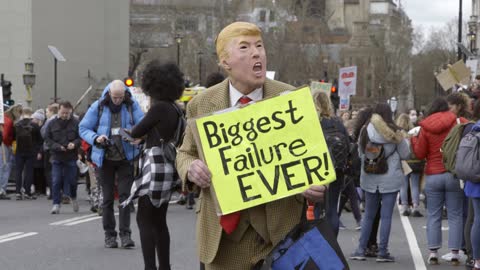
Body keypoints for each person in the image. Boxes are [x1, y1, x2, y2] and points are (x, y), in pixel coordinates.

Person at [175, 22, 326, 270]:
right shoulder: (202, 104)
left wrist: (318, 184)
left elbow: (313, 156)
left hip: (282, 235)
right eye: (244, 47)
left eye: (259, 46)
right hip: (224, 239)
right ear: (225, 62)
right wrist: (191, 168)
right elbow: (185, 153)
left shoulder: (290, 99)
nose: (257, 53)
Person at [124, 60, 184, 270]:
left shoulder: (158, 108)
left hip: (155, 165)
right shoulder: (176, 109)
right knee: (160, 220)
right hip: (169, 166)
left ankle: (150, 267)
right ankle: (164, 266)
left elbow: (136, 131)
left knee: (144, 219)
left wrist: (127, 134)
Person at [79, 80, 144, 249]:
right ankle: (109, 235)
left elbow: (144, 124)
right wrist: (96, 138)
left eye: (120, 97)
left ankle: (125, 235)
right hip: (104, 158)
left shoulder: (131, 105)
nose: (117, 101)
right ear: (109, 94)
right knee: (107, 199)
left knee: (125, 198)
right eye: (115, 97)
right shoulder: (98, 106)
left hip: (126, 158)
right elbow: (83, 128)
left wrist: (138, 136)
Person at [350, 103, 410, 263]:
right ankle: (383, 252)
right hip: (390, 177)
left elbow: (360, 152)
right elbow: (405, 153)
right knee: (386, 216)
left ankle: (361, 249)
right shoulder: (395, 132)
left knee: (368, 215)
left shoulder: (365, 130)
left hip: (369, 177)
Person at [411, 97, 468, 265]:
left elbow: (420, 154)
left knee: (433, 214)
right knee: (455, 214)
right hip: (453, 173)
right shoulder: (458, 122)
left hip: (433, 175)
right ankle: (455, 252)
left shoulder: (425, 126)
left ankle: (433, 251)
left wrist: (414, 139)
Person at [312, 91, 350, 236]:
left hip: (317, 169)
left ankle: (317, 241)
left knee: (316, 207)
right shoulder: (338, 123)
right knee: (332, 207)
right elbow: (348, 144)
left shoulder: (312, 123)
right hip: (336, 170)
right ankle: (332, 241)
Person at [44, 101, 81, 214]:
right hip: (57, 156)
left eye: (67, 113)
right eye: (63, 112)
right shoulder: (51, 123)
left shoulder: (76, 122)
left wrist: (74, 144)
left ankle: (73, 197)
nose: (65, 115)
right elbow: (47, 139)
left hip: (71, 156)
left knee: (72, 181)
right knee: (56, 181)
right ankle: (56, 204)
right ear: (59, 110)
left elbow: (80, 137)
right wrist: (57, 146)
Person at [396, 113, 423, 217]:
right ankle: (415, 206)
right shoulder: (414, 133)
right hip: (415, 161)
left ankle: (405, 207)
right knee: (415, 185)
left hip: (403, 162)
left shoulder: (398, 134)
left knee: (403, 185)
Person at [14, 107, 42, 200]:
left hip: (19, 151)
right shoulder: (35, 125)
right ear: (31, 114)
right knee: (29, 171)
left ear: (22, 114)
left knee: (18, 171)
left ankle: (18, 192)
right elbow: (40, 140)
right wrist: (38, 150)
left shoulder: (17, 125)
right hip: (31, 151)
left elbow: (13, 138)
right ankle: (27, 192)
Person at [0, 104, 22, 199]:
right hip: (5, 145)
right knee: (5, 166)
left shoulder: (4, 118)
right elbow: (4, 136)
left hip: (3, 144)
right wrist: (9, 143)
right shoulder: (9, 121)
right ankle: (2, 189)